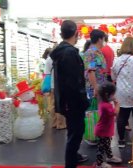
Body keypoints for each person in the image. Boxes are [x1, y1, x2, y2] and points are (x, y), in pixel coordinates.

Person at [50, 20, 89, 168]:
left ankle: (73, 158)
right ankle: (71, 163)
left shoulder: (61, 52)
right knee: (76, 134)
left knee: (74, 133)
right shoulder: (69, 53)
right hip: (74, 102)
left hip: (67, 101)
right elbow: (74, 82)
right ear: (75, 33)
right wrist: (83, 101)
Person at [83, 29, 107, 145]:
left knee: (99, 111)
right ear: (99, 39)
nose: (104, 42)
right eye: (103, 39)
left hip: (101, 87)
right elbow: (90, 71)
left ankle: (98, 134)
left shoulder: (99, 52)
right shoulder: (91, 53)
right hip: (94, 87)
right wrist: (96, 87)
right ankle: (91, 136)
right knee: (93, 111)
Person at [94, 82, 122, 168]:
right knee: (101, 148)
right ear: (107, 95)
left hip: (106, 130)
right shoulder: (106, 106)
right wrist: (117, 105)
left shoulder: (103, 103)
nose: (114, 96)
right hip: (103, 131)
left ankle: (110, 157)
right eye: (113, 94)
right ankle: (99, 164)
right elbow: (115, 113)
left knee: (107, 145)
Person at [44, 47, 66, 130]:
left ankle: (54, 123)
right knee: (62, 103)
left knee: (53, 104)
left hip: (53, 84)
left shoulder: (49, 59)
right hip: (62, 84)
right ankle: (61, 124)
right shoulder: (63, 57)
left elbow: (47, 73)